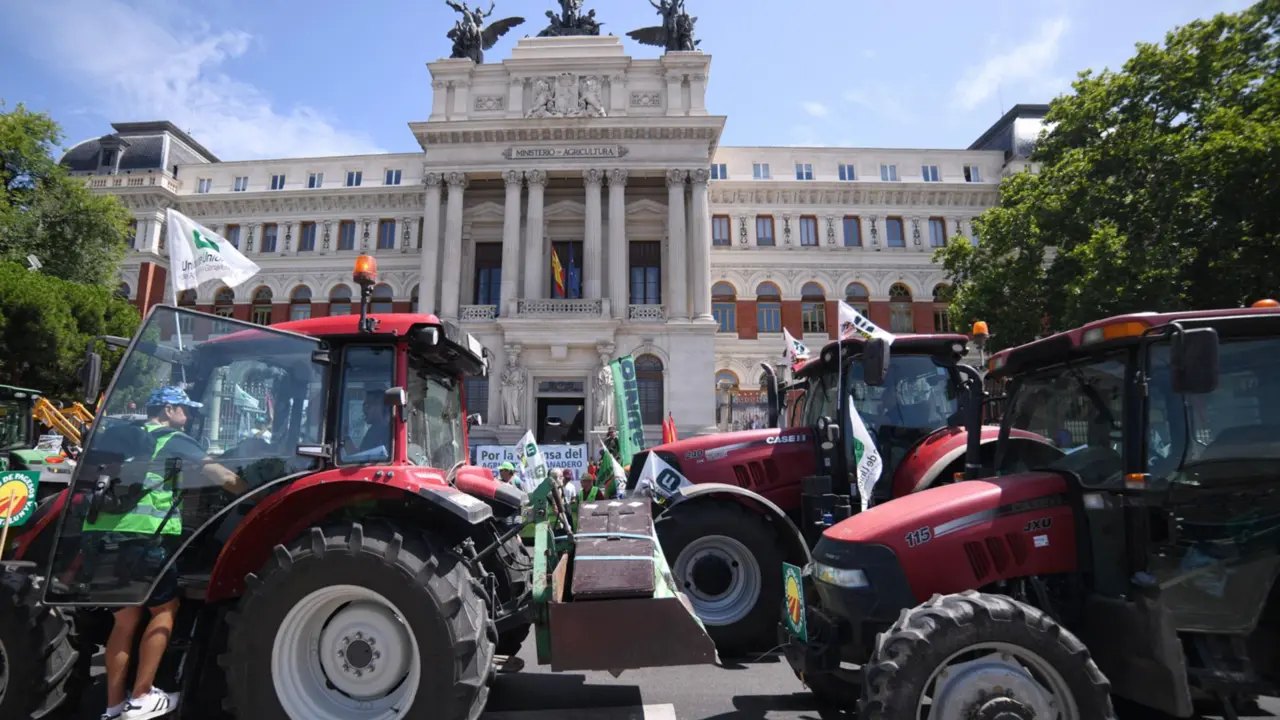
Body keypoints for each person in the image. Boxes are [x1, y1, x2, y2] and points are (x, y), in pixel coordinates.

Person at [84, 386, 244, 720]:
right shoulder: (170, 438)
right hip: (142, 537)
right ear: (168, 410)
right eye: (185, 410)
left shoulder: (123, 436)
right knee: (164, 609)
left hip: (102, 535)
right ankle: (142, 695)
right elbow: (220, 474)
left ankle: (113, 705)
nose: (188, 417)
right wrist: (254, 493)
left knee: (124, 620)